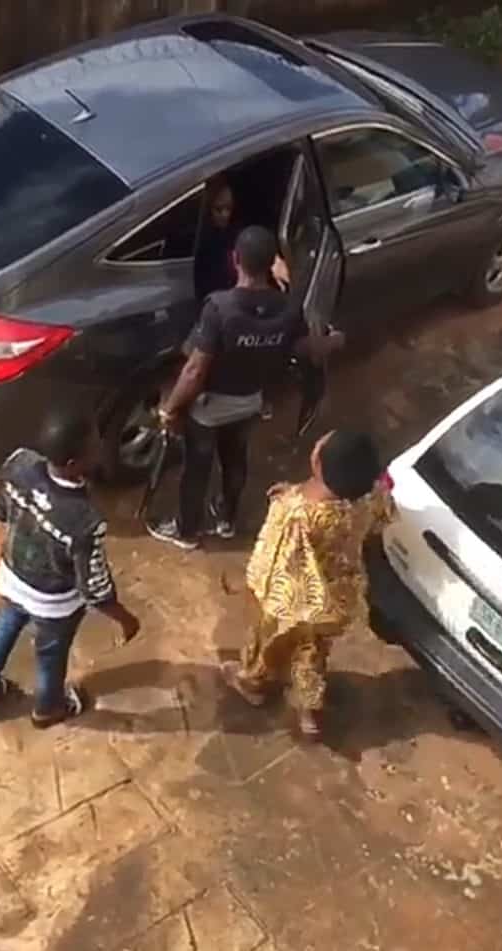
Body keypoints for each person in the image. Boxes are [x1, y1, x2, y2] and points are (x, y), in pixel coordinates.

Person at [147, 225, 345, 551]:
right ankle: (227, 519)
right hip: (252, 399)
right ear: (272, 264)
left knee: (198, 466)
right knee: (235, 457)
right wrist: (334, 341)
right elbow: (303, 347)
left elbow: (195, 370)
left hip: (210, 407)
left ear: (235, 259)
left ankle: (186, 531)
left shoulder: (220, 307)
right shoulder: (289, 308)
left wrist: (171, 408)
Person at [0, 412, 140, 729]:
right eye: (94, 445)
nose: (100, 446)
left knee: (6, 623)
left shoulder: (18, 464)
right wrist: (126, 619)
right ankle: (48, 708)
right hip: (53, 602)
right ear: (74, 463)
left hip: (13, 575)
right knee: (50, 653)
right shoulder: (85, 521)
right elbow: (94, 588)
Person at [221, 430, 394, 739]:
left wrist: (251, 587)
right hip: (338, 599)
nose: (317, 444)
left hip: (293, 601)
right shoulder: (373, 494)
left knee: (269, 646)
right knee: (312, 653)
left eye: (320, 446)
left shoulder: (294, 512)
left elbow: (271, 559)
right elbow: (380, 520)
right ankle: (308, 711)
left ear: (318, 464)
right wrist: (293, 491)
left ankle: (253, 683)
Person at [194, 177, 240, 301]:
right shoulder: (201, 244)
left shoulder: (235, 235)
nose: (225, 215)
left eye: (229, 208)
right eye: (219, 209)